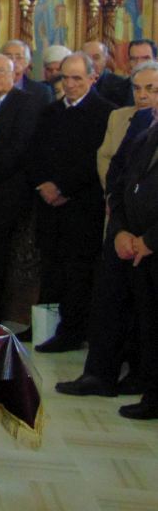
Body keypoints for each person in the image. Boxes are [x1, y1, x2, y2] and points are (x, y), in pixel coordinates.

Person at [56, 59, 158, 398]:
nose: (144, 96)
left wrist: (146, 237)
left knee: (144, 311)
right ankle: (98, 375)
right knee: (108, 301)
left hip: (149, 236)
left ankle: (141, 377)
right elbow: (115, 170)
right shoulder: (127, 120)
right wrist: (118, 224)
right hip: (121, 227)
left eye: (152, 89)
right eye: (138, 88)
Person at [30, 51, 115, 352]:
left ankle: (72, 331)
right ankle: (45, 325)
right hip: (49, 205)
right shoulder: (49, 112)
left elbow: (98, 160)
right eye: (65, 77)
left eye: (77, 78)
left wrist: (63, 187)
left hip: (82, 205)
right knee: (51, 268)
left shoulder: (106, 113)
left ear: (93, 78)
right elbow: (35, 152)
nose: (70, 84)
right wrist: (44, 185)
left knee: (77, 273)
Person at [0, 53, 44, 320]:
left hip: (8, 190)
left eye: (1, 72)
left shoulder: (26, 103)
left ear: (14, 74)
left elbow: (20, 146)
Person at [106, 110, 158, 419]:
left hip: (150, 245)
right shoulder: (144, 137)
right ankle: (152, 396)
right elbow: (122, 187)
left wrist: (150, 240)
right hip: (137, 248)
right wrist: (120, 231)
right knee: (148, 325)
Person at [0, 39, 54, 106]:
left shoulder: (41, 91)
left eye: (18, 57)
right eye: (8, 56)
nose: (13, 61)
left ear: (27, 62)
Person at [85, 39, 132, 107]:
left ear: (105, 60)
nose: (91, 62)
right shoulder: (74, 82)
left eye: (96, 58)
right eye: (86, 58)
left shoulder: (121, 84)